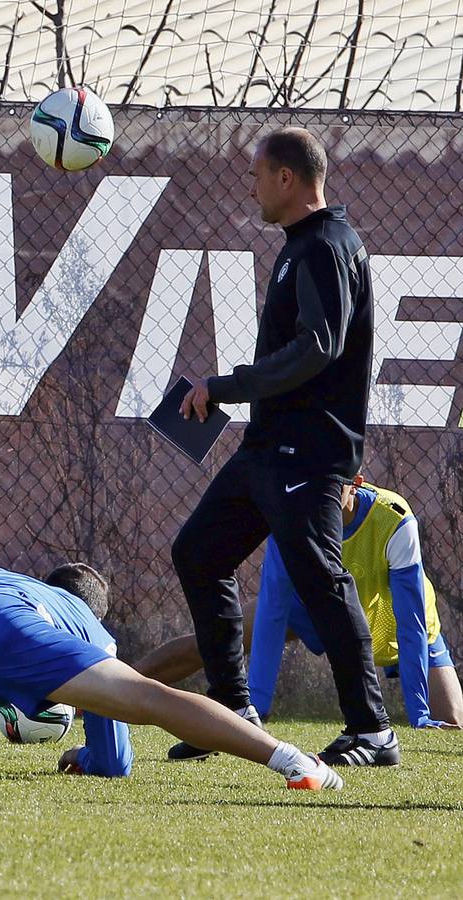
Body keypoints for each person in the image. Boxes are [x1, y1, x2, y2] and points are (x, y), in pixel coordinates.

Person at [171, 127, 396, 767]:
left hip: (308, 453)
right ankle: (232, 710)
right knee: (198, 553)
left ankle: (373, 731)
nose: (252, 186)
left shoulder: (326, 246)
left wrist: (226, 386)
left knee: (320, 579)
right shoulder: (302, 246)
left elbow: (319, 346)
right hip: (267, 448)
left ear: (287, 180)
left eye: (258, 174)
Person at [0, 564, 342, 790]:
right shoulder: (90, 629)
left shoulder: (4, 576)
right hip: (11, 631)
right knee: (153, 699)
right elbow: (116, 762)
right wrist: (88, 753)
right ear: (96, 615)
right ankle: (294, 761)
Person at [137, 479, 462, 734]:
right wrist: (257, 705)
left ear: (357, 483)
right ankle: (112, 684)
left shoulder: (394, 519)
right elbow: (273, 609)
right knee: (213, 642)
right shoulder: (297, 513)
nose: (326, 500)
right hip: (310, 610)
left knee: (448, 724)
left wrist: (419, 713)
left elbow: (411, 623)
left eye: (336, 488)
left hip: (392, 625)